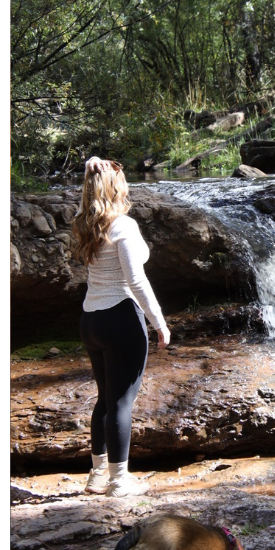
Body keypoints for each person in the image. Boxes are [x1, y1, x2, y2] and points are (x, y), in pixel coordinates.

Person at [71, 158, 172, 499]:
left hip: (91, 320)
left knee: (105, 399)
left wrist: (90, 172)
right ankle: (118, 482)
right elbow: (136, 280)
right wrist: (158, 321)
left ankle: (97, 476)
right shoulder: (123, 226)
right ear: (117, 188)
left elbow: (87, 197)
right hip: (120, 319)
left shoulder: (85, 224)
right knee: (120, 403)